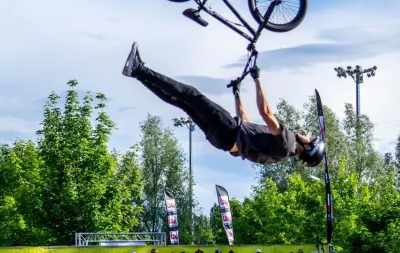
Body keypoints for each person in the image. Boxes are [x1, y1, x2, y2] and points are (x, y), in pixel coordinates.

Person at [122, 42, 324, 166]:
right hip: (222, 141)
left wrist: (257, 79)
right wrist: (237, 94)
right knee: (184, 103)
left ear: (307, 147)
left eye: (311, 138)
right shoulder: (277, 155)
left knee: (191, 94)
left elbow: (266, 112)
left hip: (228, 131)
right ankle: (137, 74)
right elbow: (246, 123)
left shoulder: (287, 140)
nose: (308, 134)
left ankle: (139, 70)